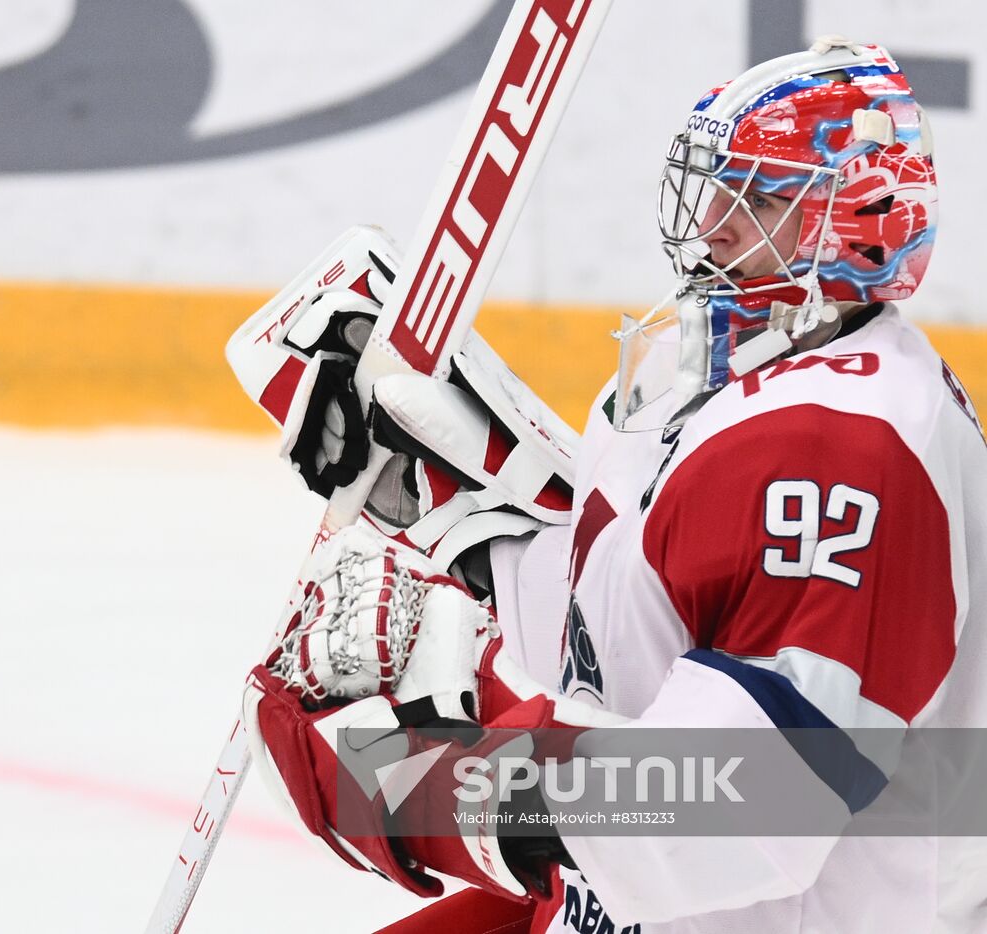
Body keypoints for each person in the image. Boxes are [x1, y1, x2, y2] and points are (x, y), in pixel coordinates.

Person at [229, 37, 987, 933]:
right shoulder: (693, 367)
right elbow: (635, 641)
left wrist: (431, 791)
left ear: (857, 228)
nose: (718, 224)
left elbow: (748, 803)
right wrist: (467, 525)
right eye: (719, 188)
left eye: (768, 199)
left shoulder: (846, 453)